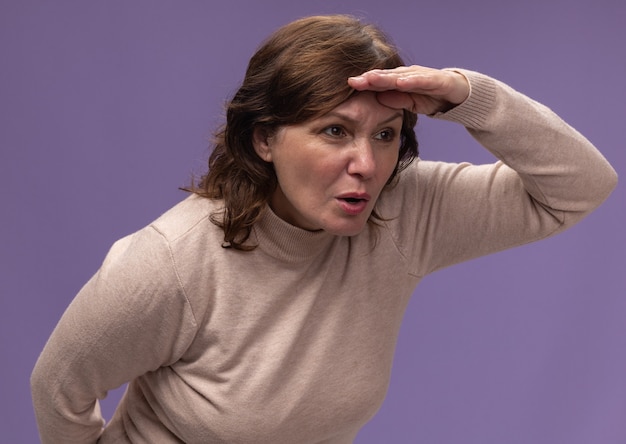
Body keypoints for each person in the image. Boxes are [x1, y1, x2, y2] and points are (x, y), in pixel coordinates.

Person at [31, 14, 617, 444]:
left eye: (385, 134)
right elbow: (58, 389)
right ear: (264, 140)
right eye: (335, 131)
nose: (365, 162)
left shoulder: (401, 212)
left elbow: (579, 186)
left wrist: (468, 98)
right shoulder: (171, 263)